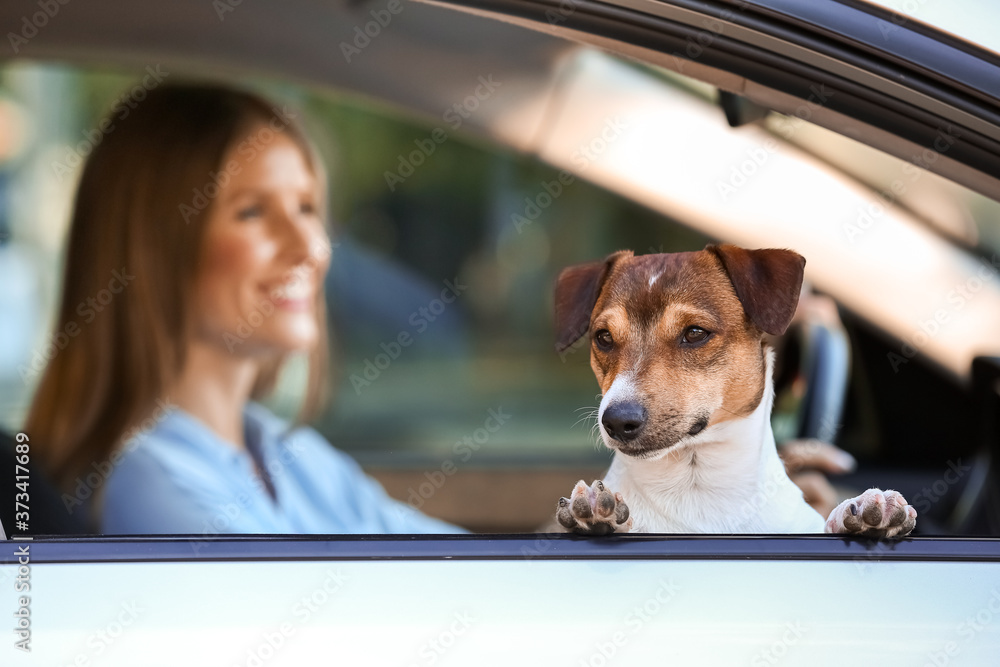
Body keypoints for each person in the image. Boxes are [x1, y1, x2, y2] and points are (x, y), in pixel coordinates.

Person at [26, 84, 463, 535]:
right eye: (253, 212)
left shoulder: (287, 453)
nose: (311, 247)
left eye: (307, 208)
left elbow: (462, 564)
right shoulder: (145, 486)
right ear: (153, 251)